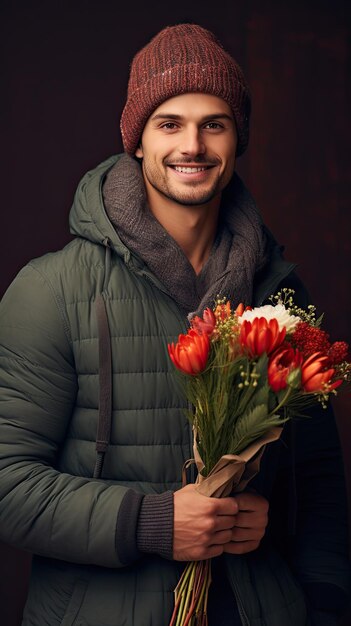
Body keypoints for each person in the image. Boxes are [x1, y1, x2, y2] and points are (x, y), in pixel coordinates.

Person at [0, 23, 349, 626]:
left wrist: (323, 602)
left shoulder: (280, 292)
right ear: (137, 140)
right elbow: (6, 484)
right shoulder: (50, 290)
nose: (193, 144)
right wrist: (153, 523)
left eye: (214, 123)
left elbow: (318, 480)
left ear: (237, 139)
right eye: (170, 124)